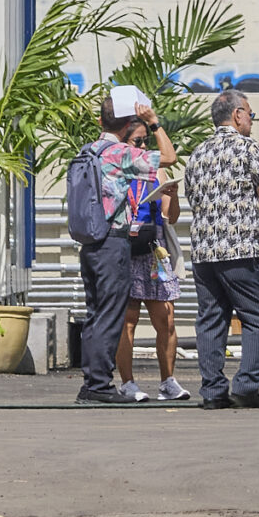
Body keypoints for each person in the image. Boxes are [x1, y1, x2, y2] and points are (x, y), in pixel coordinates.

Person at [70, 92, 176, 405]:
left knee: (95, 314)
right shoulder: (120, 153)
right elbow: (167, 157)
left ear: (101, 121)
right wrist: (154, 123)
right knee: (111, 315)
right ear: (129, 123)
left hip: (89, 242)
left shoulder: (87, 151)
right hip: (114, 240)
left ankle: (92, 382)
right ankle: (99, 386)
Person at [182, 89, 259, 410]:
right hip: (240, 248)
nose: (251, 120)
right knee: (256, 318)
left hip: (204, 251)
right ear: (237, 115)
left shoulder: (197, 153)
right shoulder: (247, 147)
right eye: (250, 113)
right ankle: (247, 386)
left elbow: (192, 198)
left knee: (210, 319)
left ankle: (212, 391)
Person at [115, 117, 187, 402]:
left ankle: (168, 381)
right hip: (126, 250)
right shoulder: (118, 171)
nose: (144, 146)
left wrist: (173, 196)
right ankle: (128, 383)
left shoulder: (155, 174)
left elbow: (171, 217)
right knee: (127, 321)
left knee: (166, 319)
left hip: (154, 251)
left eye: (146, 141)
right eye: (138, 141)